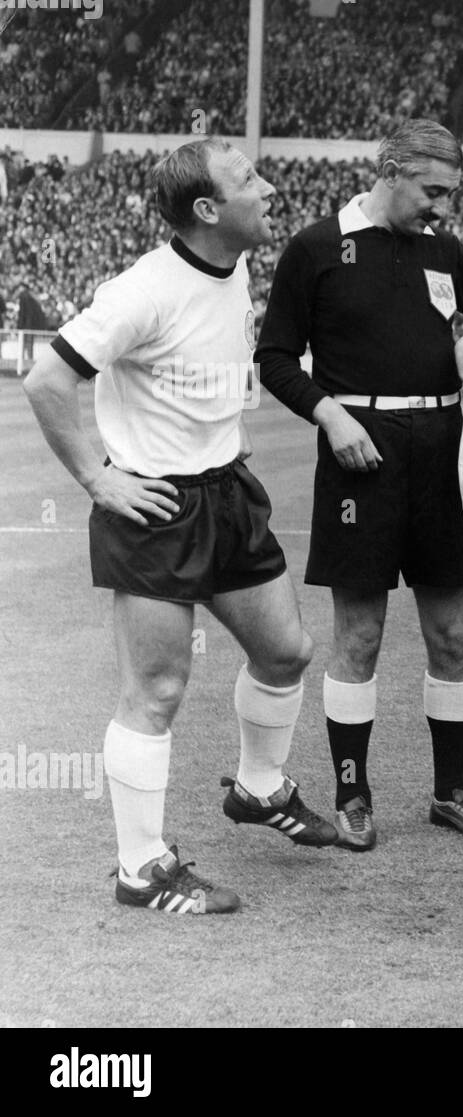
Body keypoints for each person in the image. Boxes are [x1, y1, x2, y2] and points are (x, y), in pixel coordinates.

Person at [23, 137, 337, 916]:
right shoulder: (142, 290)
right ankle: (142, 869)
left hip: (226, 492)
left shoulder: (234, 266)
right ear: (207, 210)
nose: (269, 188)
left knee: (287, 651)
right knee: (157, 690)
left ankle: (259, 789)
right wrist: (99, 478)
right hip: (157, 508)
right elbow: (48, 377)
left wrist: (225, 433)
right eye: (248, 180)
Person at [256, 119, 463, 852]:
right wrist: (330, 415)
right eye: (432, 190)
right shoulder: (317, 248)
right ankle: (353, 793)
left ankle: (450, 792)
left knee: (452, 630)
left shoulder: (444, 252)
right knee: (361, 634)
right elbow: (275, 357)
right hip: (359, 456)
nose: (442, 207)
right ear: (390, 170)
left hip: (440, 455)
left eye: (450, 193)